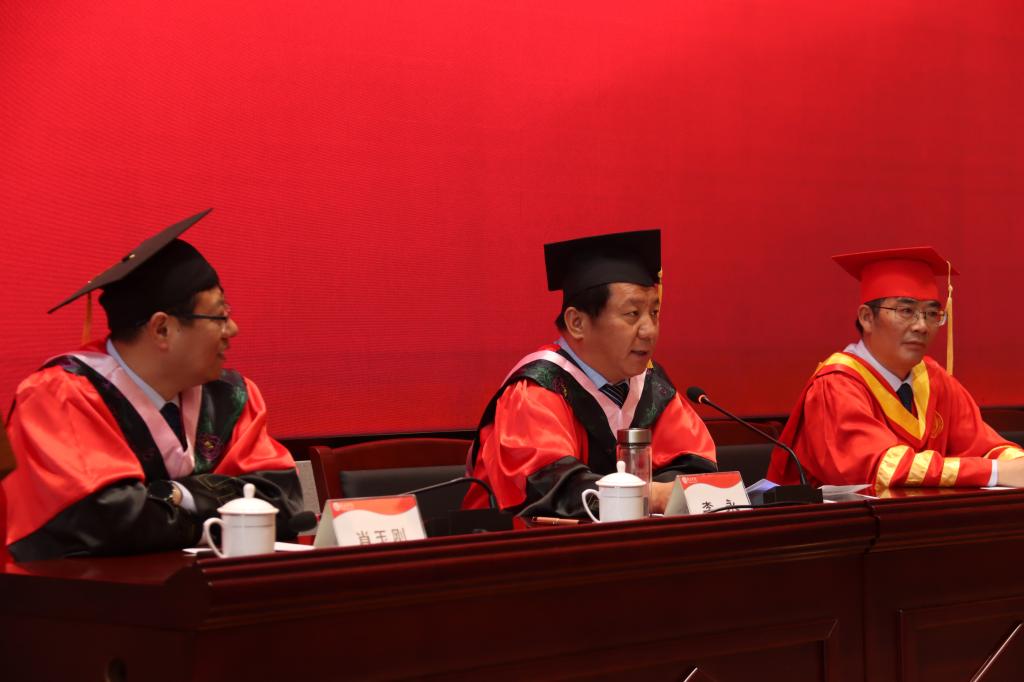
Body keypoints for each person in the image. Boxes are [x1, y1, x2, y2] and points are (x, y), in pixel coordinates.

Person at [2, 210, 303, 561]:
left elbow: (283, 501)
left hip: (211, 588)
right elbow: (107, 522)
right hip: (85, 592)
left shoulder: (230, 396)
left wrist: (174, 494)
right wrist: (215, 512)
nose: (232, 329)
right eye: (220, 316)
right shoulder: (60, 396)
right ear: (162, 329)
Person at [463, 230, 716, 518]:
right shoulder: (535, 392)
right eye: (632, 314)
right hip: (511, 544)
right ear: (577, 323)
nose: (649, 331)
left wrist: (664, 493)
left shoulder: (652, 388)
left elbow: (695, 469)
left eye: (654, 313)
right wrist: (650, 495)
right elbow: (550, 490)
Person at [767, 247, 1024, 490]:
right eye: (906, 311)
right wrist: (994, 472)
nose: (921, 326)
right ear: (867, 318)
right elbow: (880, 469)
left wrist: (1016, 462)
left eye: (931, 314)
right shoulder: (835, 385)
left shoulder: (935, 380)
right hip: (838, 521)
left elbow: (985, 445)